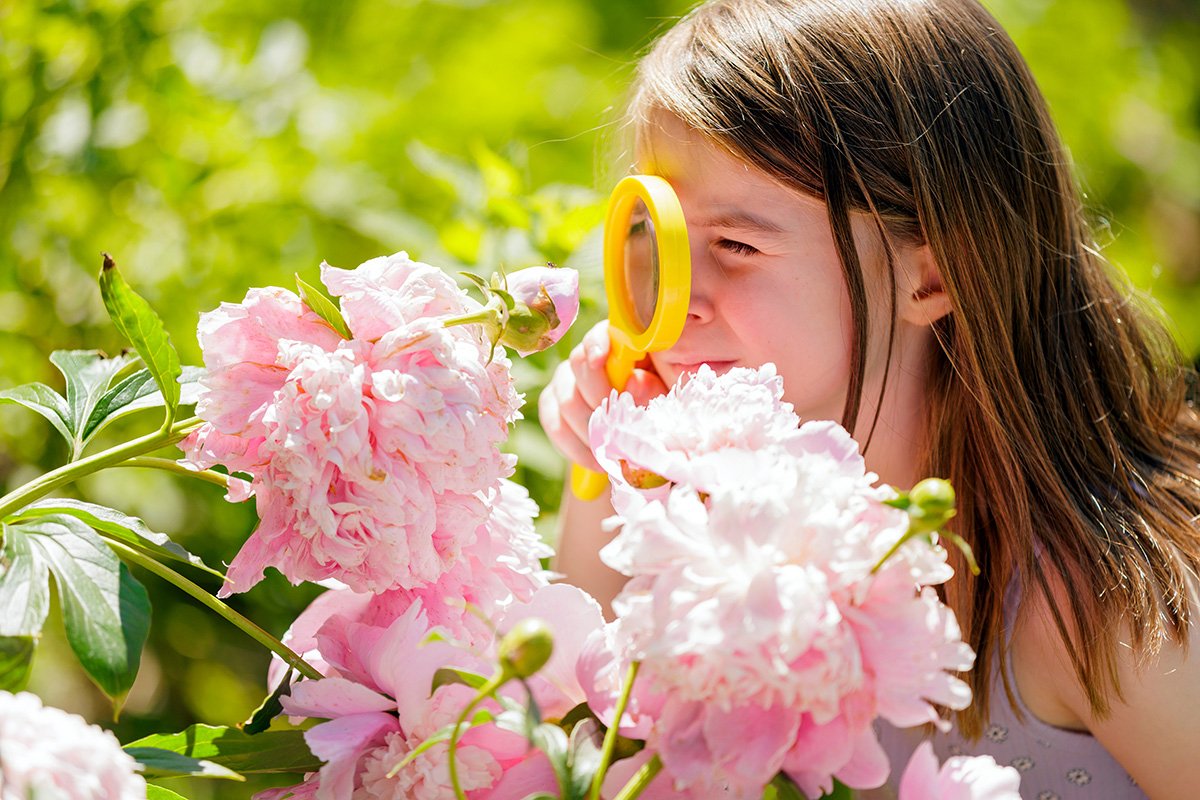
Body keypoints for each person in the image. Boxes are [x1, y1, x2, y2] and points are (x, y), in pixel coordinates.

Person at [537, 0, 1200, 797]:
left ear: (933, 274)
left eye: (736, 245)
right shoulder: (723, 520)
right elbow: (579, 735)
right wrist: (603, 472)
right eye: (656, 240)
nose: (673, 304)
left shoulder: (1092, 602)